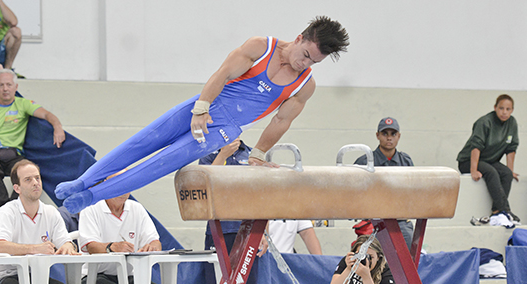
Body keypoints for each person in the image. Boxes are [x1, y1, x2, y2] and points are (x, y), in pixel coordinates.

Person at [55, 16, 349, 214]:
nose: (304, 63)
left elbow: (281, 121)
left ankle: (90, 197)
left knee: (160, 163)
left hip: (223, 128)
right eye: (306, 54)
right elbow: (222, 74)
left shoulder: (304, 85)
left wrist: (258, 153)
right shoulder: (261, 47)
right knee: (140, 144)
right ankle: (83, 181)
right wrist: (201, 108)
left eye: (314, 62)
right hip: (203, 105)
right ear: (299, 38)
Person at [0, 69, 65, 212]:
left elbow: (47, 114)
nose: (5, 89)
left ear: (16, 87)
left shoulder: (23, 104)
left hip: (13, 156)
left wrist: (58, 127)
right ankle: (2, 214)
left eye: (9, 85)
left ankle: (13, 211)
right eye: (1, 85)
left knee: (28, 174)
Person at [200, 137, 266, 284]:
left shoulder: (252, 154)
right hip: (219, 230)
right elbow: (206, 183)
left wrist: (264, 233)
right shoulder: (208, 155)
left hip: (249, 231)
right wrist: (223, 155)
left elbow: (263, 195)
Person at [457, 94, 520, 225]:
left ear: (512, 110)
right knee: (491, 172)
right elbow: (476, 147)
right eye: (501, 108)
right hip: (468, 161)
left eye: (508, 109)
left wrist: (511, 170)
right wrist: (473, 170)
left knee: (506, 174)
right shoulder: (484, 122)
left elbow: (511, 149)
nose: (504, 112)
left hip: (489, 161)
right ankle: (505, 210)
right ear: (495, 108)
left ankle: (496, 211)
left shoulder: (512, 123)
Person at [354, 117, 414, 247]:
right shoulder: (364, 162)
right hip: (372, 220)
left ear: (399, 136)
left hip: (400, 220)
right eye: (384, 134)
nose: (389, 138)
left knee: (408, 251)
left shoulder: (406, 162)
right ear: (377, 135)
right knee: (370, 256)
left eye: (393, 134)